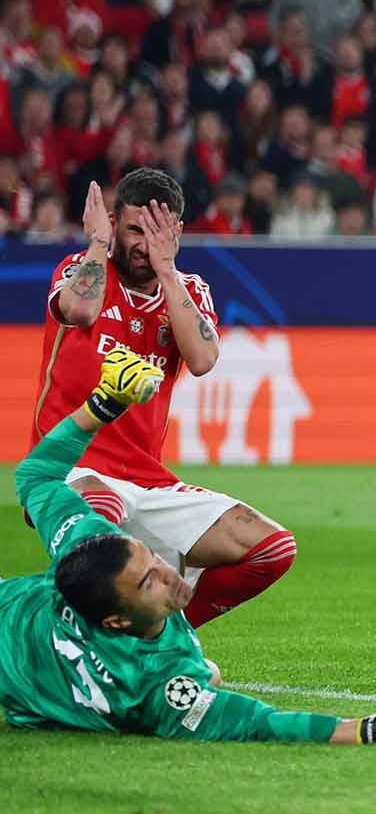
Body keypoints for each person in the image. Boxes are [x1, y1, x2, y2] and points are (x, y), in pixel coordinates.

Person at [4, 349, 376, 744]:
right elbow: (259, 722)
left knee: (206, 672)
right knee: (206, 676)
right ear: (118, 621)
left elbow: (35, 476)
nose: (168, 572)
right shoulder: (155, 688)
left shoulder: (87, 545)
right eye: (148, 582)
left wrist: (104, 403)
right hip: (40, 675)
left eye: (152, 557)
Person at [31, 169, 296, 629]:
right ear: (114, 223)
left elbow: (203, 359)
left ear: (176, 233)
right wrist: (97, 242)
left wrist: (167, 270)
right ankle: (69, 647)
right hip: (69, 470)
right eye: (134, 230)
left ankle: (166, 637)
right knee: (104, 524)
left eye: (157, 233)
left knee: (271, 549)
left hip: (148, 481)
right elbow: (80, 309)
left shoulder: (188, 290)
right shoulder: (81, 268)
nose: (143, 245)